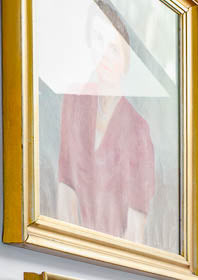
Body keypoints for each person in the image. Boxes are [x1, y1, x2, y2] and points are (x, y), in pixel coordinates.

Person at [56, 1, 155, 245]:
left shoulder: (138, 130)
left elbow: (135, 232)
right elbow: (65, 188)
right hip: (71, 251)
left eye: (114, 49)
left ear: (126, 59)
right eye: (99, 41)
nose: (104, 56)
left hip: (114, 259)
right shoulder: (74, 103)